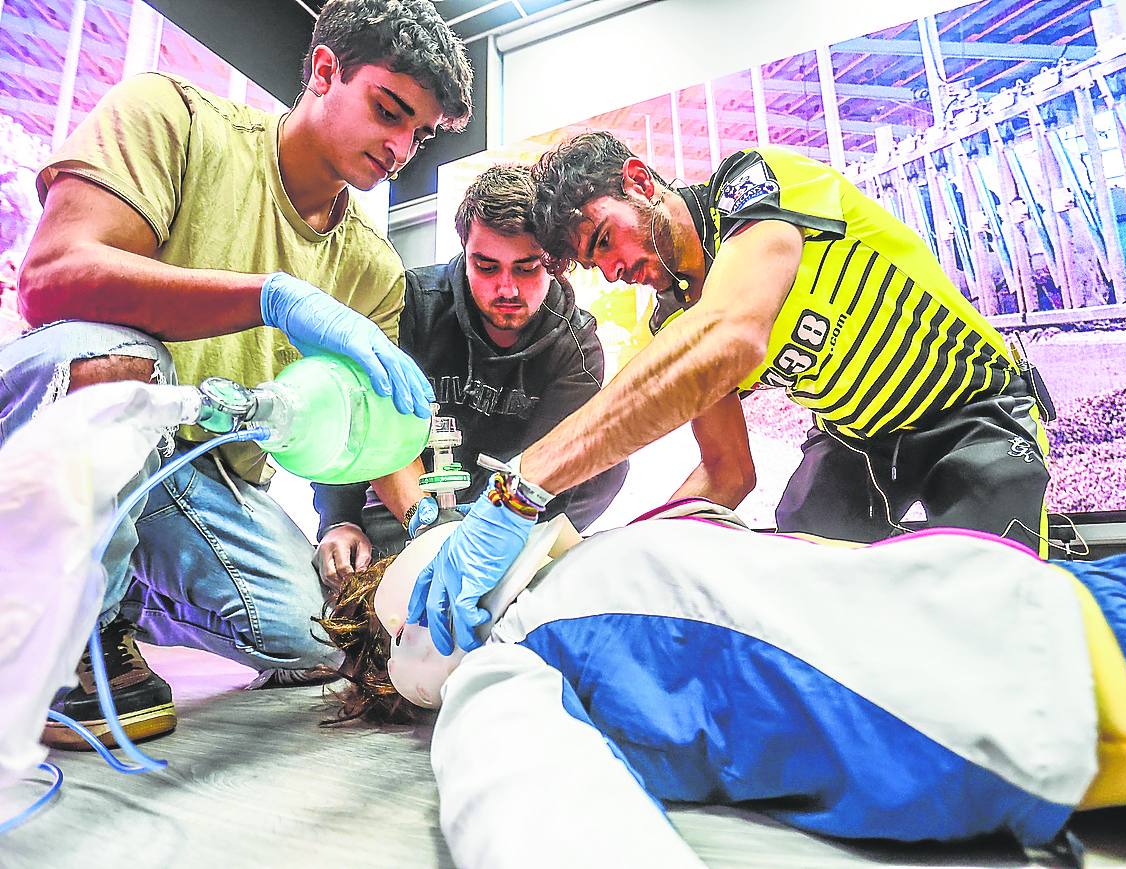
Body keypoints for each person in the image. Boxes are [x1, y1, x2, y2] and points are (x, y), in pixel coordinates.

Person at [0, 0, 472, 748]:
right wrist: (269, 297)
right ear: (324, 70)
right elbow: (53, 275)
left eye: (417, 133)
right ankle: (67, 642)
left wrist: (433, 532)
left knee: (313, 639)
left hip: (204, 475)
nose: (399, 145)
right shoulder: (174, 118)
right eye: (389, 110)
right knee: (126, 356)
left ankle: (114, 585)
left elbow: (372, 425)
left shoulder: (372, 268)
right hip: (83, 411)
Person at [408, 131, 1054, 654]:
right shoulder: (670, 315)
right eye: (594, 262)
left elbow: (732, 337)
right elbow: (727, 475)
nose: (612, 269)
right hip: (858, 438)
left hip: (971, 409)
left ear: (638, 181)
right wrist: (619, 566)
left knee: (994, 618)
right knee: (807, 612)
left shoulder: (754, 187)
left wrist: (519, 487)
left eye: (605, 238)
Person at [318, 500, 1126, 865]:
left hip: (1091, 615)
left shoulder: (606, 562)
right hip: (1095, 670)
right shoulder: (515, 658)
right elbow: (535, 812)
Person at [311, 165, 627, 590]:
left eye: (527, 268)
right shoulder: (409, 306)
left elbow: (556, 472)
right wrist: (339, 520)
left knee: (608, 463)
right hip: (396, 510)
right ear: (463, 250)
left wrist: (486, 543)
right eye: (487, 267)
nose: (507, 289)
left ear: (554, 261)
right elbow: (352, 414)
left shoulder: (576, 347)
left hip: (509, 514)